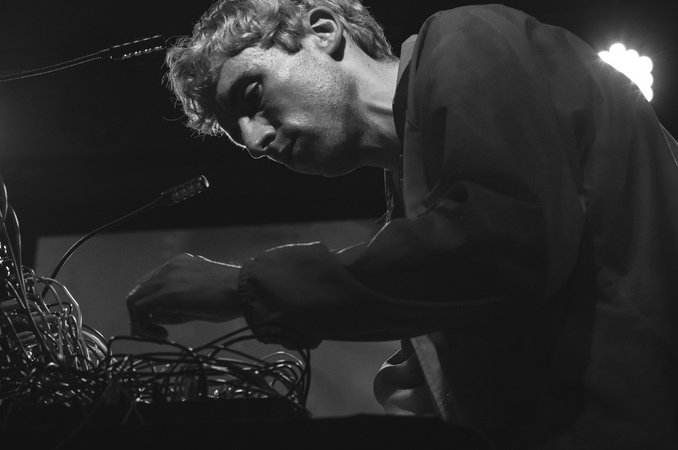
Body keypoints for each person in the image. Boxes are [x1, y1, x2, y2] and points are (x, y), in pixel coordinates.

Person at [126, 0, 678, 448]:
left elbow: (504, 245)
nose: (254, 140)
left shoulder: (465, 38)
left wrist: (244, 286)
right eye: (238, 135)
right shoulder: (412, 200)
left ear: (323, 30)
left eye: (253, 95)